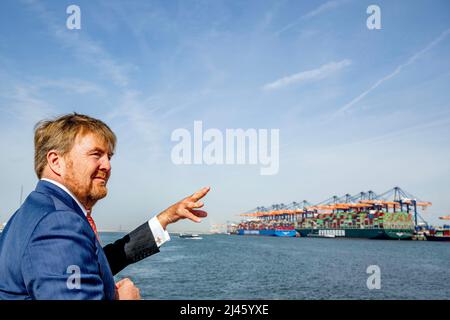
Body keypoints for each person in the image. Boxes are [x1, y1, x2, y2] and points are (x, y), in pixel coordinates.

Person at [0, 113, 209, 300]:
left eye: (108, 157)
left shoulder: (33, 214)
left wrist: (163, 220)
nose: (107, 166)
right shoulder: (58, 222)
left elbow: (86, 264)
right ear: (56, 161)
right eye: (96, 154)